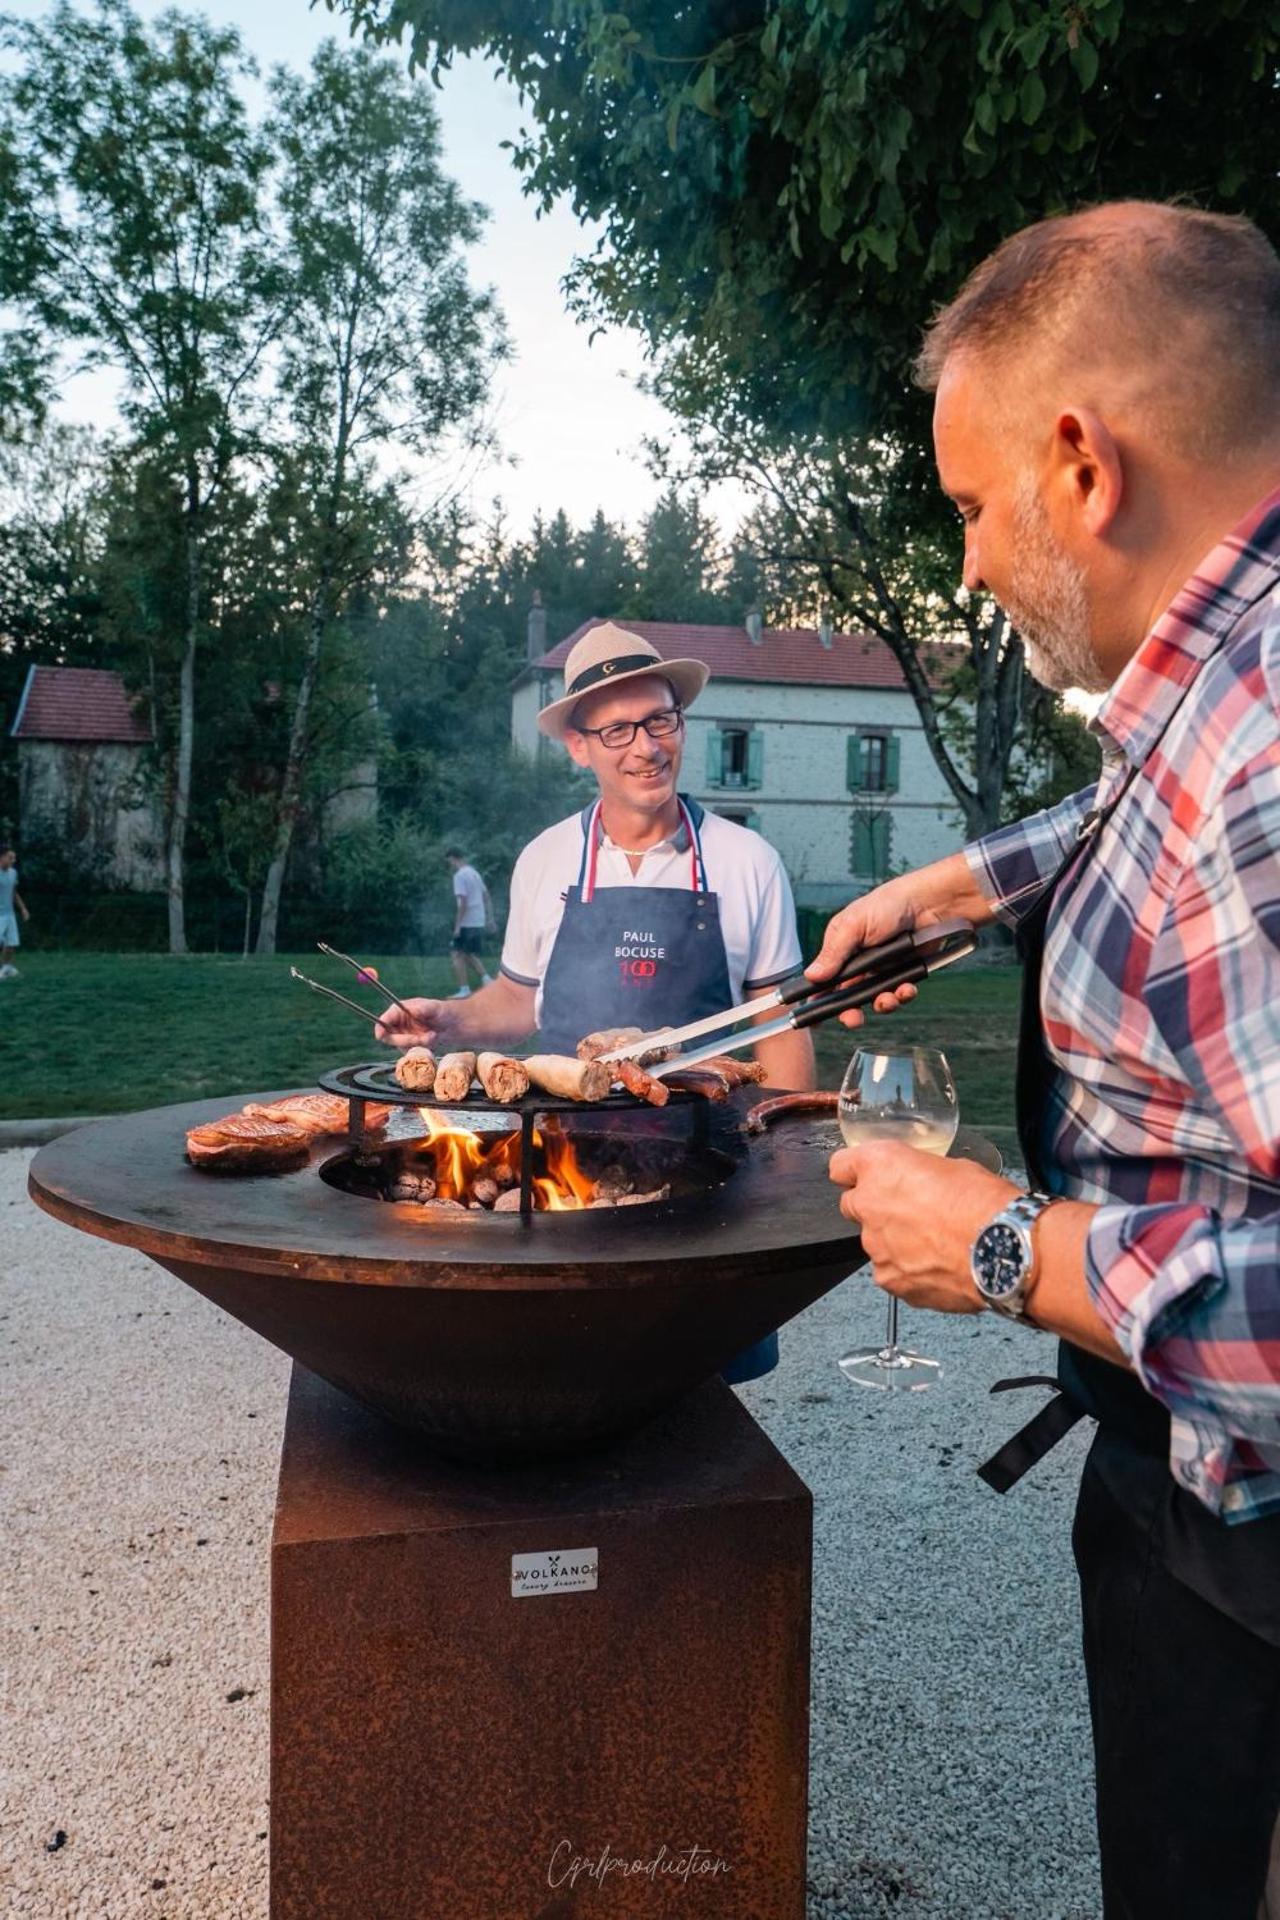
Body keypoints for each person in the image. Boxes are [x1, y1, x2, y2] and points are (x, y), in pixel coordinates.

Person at [815, 202, 1280, 1918]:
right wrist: (974, 881)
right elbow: (1149, 804)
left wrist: (1005, 1247)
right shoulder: (1236, 683)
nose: (967, 565)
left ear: (1082, 465)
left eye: (968, 505)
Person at [378, 621, 816, 1379]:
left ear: (681, 724)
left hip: (702, 1174)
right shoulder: (545, 859)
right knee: (565, 1364)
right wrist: (449, 1020)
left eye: (659, 720)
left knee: (700, 1387)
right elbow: (520, 1002)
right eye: (617, 730)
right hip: (562, 1165)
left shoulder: (750, 862)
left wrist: (790, 1165)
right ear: (579, 745)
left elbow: (776, 1024)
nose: (645, 746)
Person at [444, 848, 493, 998]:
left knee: (456, 954)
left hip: (467, 921)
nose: (450, 864)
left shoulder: (459, 876)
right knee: (467, 954)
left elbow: (463, 903)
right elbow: (486, 896)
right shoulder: (474, 873)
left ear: (453, 858)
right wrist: (489, 918)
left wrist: (457, 927)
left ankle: (464, 990)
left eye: (449, 860)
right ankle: (487, 980)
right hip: (478, 920)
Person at [0, 844, 29, 979]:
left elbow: (14, 892)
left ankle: (7, 967)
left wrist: (22, 908)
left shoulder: (13, 873)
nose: (13, 860)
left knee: (11, 943)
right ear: (2, 857)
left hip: (9, 913)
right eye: (10, 857)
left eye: (14, 858)